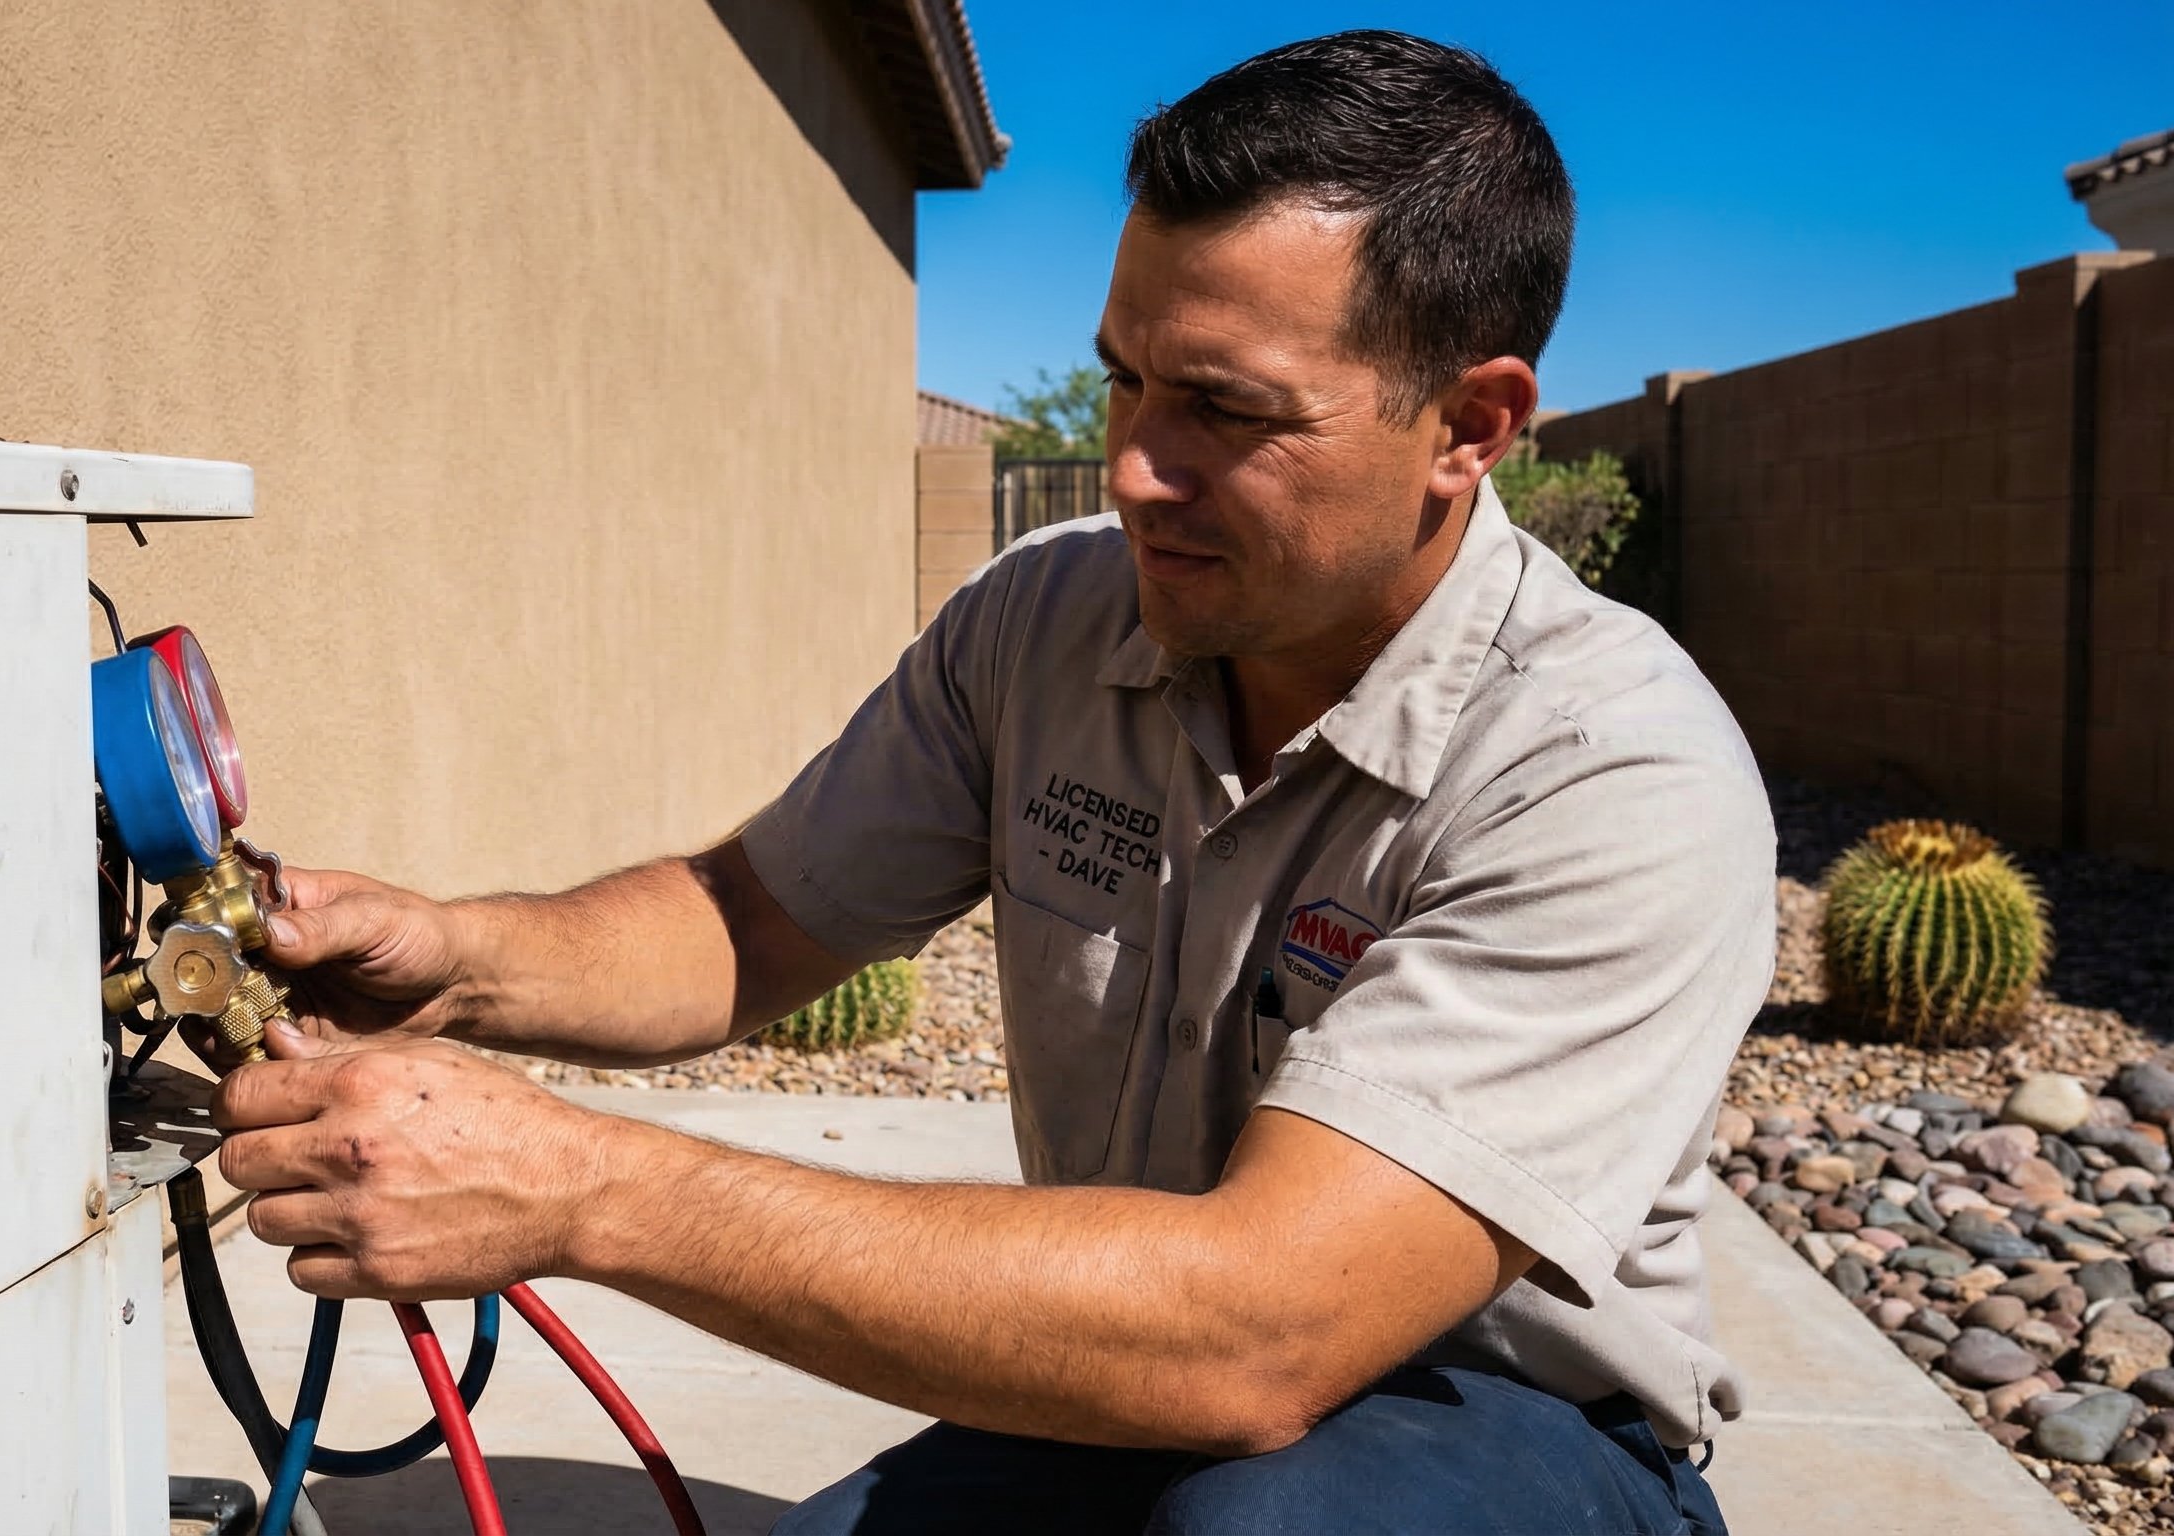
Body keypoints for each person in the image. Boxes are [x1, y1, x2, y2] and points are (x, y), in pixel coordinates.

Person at [211, 30, 1767, 1534]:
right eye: (1125, 383)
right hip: (1124, 1376)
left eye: (1226, 408)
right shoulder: (1045, 623)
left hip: (1504, 1436)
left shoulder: (1607, 773)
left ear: (1472, 426)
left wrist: (579, 1188)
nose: (1137, 467)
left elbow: (1259, 1332)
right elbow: (753, 921)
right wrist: (456, 964)